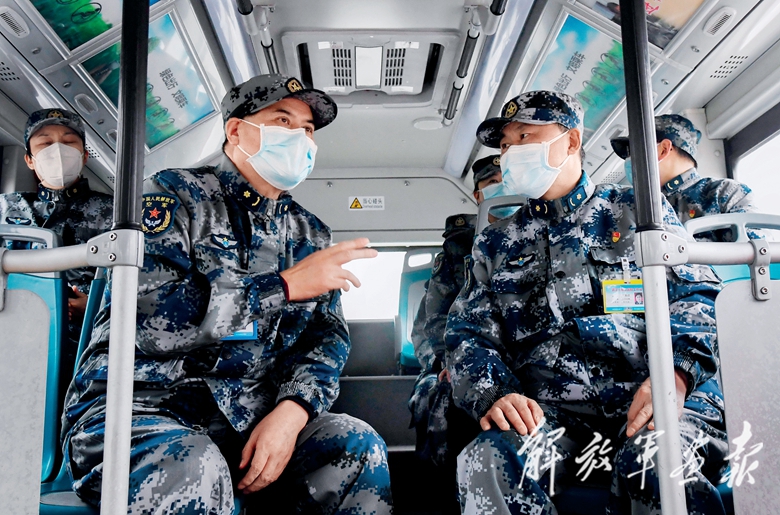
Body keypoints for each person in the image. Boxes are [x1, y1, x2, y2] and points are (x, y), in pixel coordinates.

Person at [61, 74, 393, 514]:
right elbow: (150, 320)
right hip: (142, 409)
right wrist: (284, 286)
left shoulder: (310, 233)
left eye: (308, 129)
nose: (300, 138)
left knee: (355, 444)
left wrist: (292, 411)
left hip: (250, 416)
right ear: (236, 130)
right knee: (193, 464)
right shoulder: (170, 196)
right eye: (283, 121)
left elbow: (325, 339)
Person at [446, 91, 729, 515]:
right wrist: (496, 393)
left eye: (524, 136)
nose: (510, 153)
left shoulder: (639, 212)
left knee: (656, 460)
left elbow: (700, 298)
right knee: (485, 458)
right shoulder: (496, 243)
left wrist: (677, 375)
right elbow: (468, 334)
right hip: (557, 417)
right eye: (504, 145)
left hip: (654, 398)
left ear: (572, 141)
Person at [409, 155, 513, 468]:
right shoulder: (459, 249)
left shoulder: (541, 233)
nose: (502, 188)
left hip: (521, 357)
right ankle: (449, 481)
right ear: (479, 195)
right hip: (458, 354)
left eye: (507, 180)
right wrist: (447, 362)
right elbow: (435, 320)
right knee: (445, 394)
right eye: (492, 183)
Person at [0, 108, 112, 383]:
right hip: (13, 338)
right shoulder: (6, 208)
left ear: (84, 156)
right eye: (46, 143)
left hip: (85, 347)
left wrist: (95, 305)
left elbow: (135, 283)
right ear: (29, 159)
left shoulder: (115, 212)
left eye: (69, 141)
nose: (58, 150)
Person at [611, 113, 759, 242]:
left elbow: (754, 255)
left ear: (664, 149)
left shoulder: (725, 193)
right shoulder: (633, 208)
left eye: (633, 151)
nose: (628, 160)